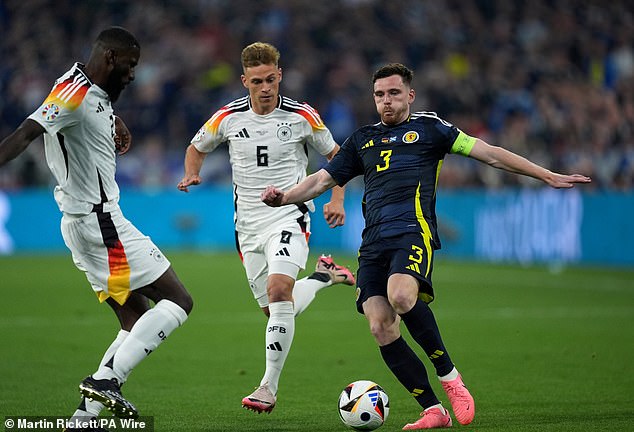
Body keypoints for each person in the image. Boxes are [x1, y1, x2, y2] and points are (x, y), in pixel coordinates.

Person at [262, 63, 592, 430]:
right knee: (380, 326)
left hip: (412, 231)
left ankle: (450, 377)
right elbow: (322, 180)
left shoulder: (430, 129)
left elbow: (491, 154)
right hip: (372, 242)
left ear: (410, 95)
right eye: (379, 95)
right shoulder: (362, 140)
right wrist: (285, 197)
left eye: (393, 93)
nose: (386, 101)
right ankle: (433, 410)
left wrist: (545, 174)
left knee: (402, 296)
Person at [0, 27, 193, 431]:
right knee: (177, 300)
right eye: (130, 65)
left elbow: (87, 107)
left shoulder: (86, 87)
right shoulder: (70, 93)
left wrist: (114, 120)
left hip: (84, 224)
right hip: (100, 222)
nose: (133, 74)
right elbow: (26, 133)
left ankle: (82, 418)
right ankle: (106, 381)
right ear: (109, 58)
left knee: (134, 317)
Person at [177, 41, 354, 414]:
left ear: (280, 75)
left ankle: (267, 388)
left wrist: (335, 200)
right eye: (257, 81)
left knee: (278, 292)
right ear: (245, 81)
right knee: (276, 310)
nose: (266, 88)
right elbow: (197, 146)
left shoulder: (301, 116)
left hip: (290, 215)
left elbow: (338, 157)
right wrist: (192, 173)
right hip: (247, 227)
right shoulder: (227, 117)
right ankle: (323, 278)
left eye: (271, 79)